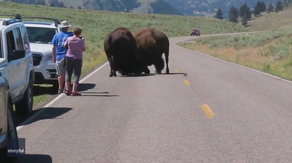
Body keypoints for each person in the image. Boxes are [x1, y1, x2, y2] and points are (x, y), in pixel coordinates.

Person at [51, 21, 73, 94]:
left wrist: (54, 56)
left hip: (59, 56)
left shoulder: (56, 36)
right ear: (67, 27)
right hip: (68, 56)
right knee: (68, 73)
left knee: (60, 74)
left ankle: (60, 88)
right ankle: (67, 88)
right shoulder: (70, 35)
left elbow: (53, 47)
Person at [63, 26, 85, 96]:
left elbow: (64, 45)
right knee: (76, 74)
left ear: (73, 32)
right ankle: (74, 90)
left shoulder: (69, 39)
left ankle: (67, 89)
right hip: (77, 58)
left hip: (68, 57)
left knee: (68, 73)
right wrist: (83, 42)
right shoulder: (80, 40)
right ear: (80, 33)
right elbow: (83, 49)